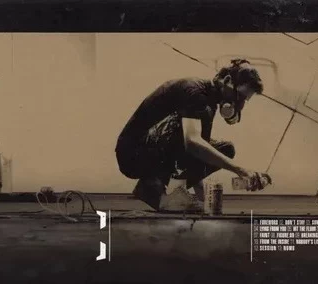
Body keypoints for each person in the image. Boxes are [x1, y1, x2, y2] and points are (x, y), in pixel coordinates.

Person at [115, 59, 272, 211]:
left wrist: (204, 200)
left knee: (225, 149)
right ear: (227, 80)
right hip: (132, 153)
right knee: (191, 135)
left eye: (244, 100)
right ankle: (153, 189)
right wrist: (240, 170)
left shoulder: (208, 103)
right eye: (239, 96)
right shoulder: (195, 92)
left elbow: (197, 154)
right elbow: (191, 143)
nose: (240, 104)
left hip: (150, 149)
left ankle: (167, 190)